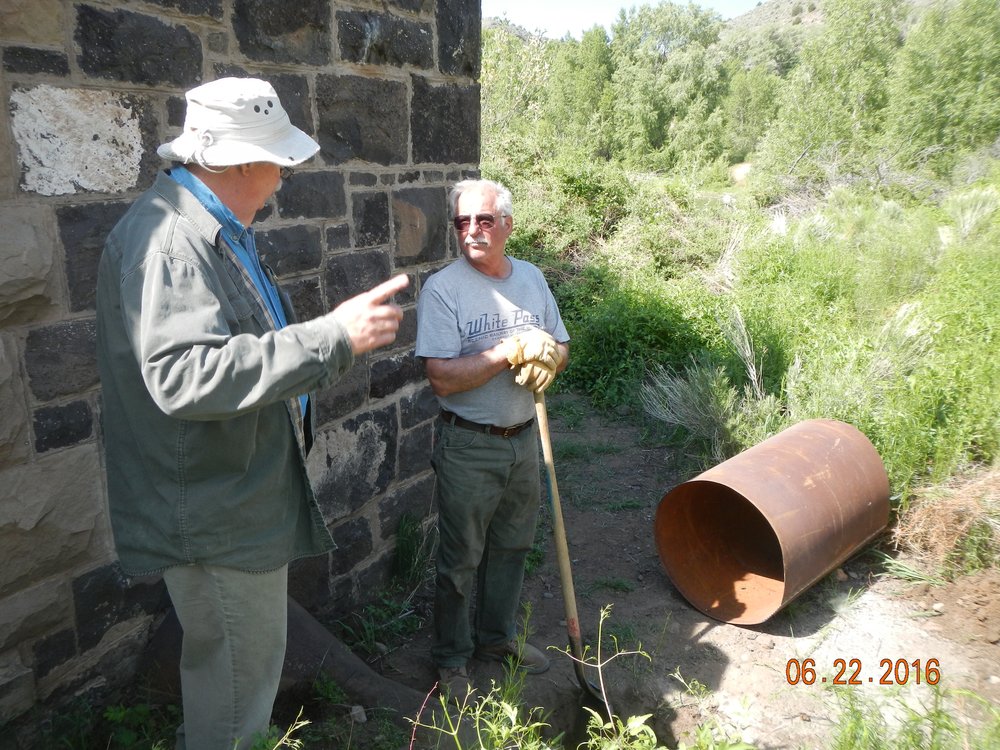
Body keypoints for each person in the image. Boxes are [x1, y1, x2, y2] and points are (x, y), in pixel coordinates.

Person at [95, 77, 408, 750]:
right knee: (235, 709)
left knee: (232, 688)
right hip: (217, 516)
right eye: (278, 161)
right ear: (238, 161)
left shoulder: (213, 227)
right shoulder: (171, 240)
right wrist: (334, 337)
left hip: (233, 502)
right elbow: (183, 375)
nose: (283, 177)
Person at [414, 178, 570, 695]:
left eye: (483, 220)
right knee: (460, 558)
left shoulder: (531, 279)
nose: (472, 231)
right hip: (469, 444)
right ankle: (452, 659)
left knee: (513, 546)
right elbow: (441, 377)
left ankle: (496, 640)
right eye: (462, 222)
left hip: (525, 438)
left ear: (507, 224)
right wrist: (509, 351)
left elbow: (560, 345)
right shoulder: (443, 289)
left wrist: (549, 359)